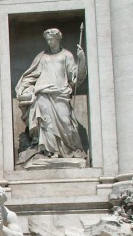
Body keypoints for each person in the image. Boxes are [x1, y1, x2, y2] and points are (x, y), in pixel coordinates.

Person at [15, 28, 87, 161]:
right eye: (47, 39)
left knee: (66, 121)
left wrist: (81, 59)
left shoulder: (67, 55)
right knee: (45, 123)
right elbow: (32, 75)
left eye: (51, 39)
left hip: (61, 93)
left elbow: (76, 78)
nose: (49, 42)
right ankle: (48, 151)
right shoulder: (42, 57)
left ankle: (67, 150)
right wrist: (24, 88)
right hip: (43, 93)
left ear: (58, 39)